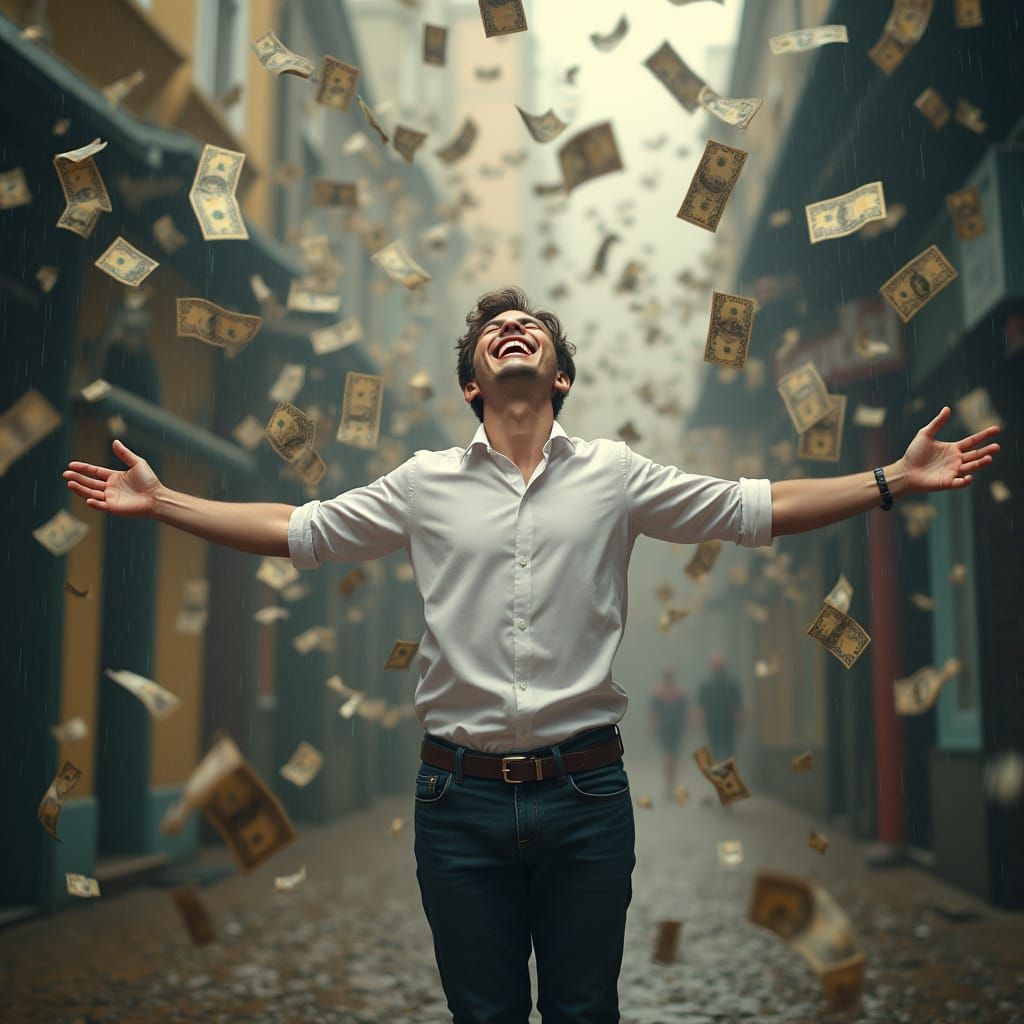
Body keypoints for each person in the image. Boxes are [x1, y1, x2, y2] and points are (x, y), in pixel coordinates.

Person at [63, 286, 1000, 1024]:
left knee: (587, 1012)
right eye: (495, 329)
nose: (512, 329)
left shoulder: (617, 477)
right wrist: (167, 503)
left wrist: (890, 479)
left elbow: (753, 507)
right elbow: (297, 528)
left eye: (531, 329)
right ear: (474, 380)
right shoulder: (422, 485)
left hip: (586, 796)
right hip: (455, 800)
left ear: (558, 377)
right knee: (485, 1014)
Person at [647, 668, 688, 795]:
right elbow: (654, 714)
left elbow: (685, 713)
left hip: (673, 728)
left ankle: (670, 782)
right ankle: (670, 781)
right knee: (670, 755)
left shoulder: (678, 693)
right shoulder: (662, 694)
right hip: (668, 729)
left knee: (670, 755)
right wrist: (651, 727)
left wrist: (651, 727)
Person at [697, 654, 743, 762]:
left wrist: (740, 721)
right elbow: (701, 707)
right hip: (714, 723)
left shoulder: (731, 684)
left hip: (727, 723)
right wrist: (699, 723)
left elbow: (737, 707)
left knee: (727, 750)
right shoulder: (706, 686)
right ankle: (721, 771)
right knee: (717, 750)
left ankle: (724, 772)